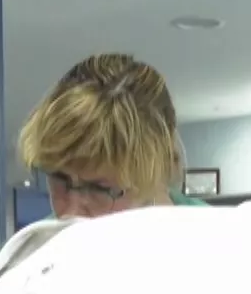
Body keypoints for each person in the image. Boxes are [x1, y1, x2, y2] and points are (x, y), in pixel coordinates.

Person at [18, 52, 210, 217]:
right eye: (60, 180)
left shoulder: (221, 242)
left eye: (99, 189)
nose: (71, 212)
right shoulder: (33, 252)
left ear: (158, 173)